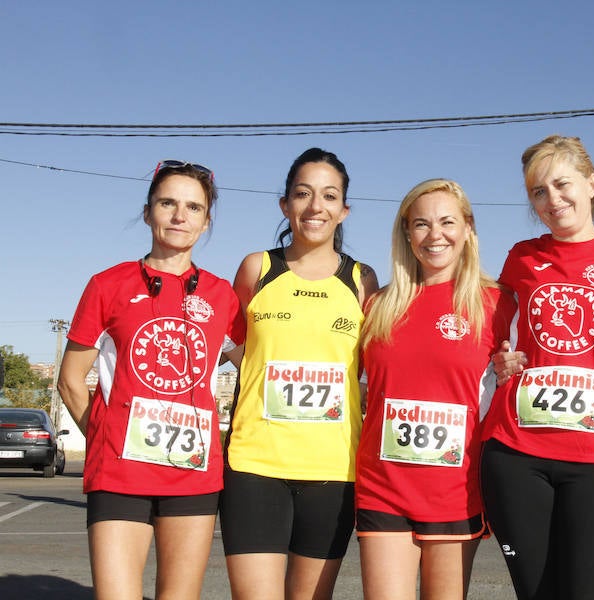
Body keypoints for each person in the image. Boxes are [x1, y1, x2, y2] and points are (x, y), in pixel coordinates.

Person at [480, 135, 594, 600]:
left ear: (590, 183)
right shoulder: (521, 257)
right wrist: (499, 358)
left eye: (561, 185)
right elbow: (491, 336)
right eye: (538, 192)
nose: (552, 200)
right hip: (515, 453)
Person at [57, 160, 245, 599]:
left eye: (193, 208)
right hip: (119, 475)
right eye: (168, 203)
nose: (180, 216)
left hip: (193, 474)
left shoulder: (222, 296)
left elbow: (254, 367)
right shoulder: (107, 285)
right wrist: (110, 437)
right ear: (148, 212)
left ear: (205, 221)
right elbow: (70, 380)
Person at [219, 148, 378, 600]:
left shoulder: (362, 281)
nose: (316, 206)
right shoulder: (257, 269)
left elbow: (375, 366)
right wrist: (255, 370)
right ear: (285, 204)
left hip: (333, 470)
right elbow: (226, 341)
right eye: (303, 194)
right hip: (254, 465)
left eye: (329, 196)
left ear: (344, 209)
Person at [355, 179, 516, 600]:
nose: (435, 235)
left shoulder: (498, 304)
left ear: (467, 229)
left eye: (447, 222)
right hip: (383, 487)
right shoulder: (377, 305)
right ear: (407, 233)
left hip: (455, 492)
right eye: (421, 224)